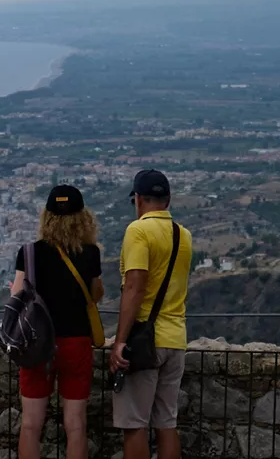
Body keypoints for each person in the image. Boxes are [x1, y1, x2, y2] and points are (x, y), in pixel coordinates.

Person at [10, 184, 105, 459]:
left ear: (47, 217)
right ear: (82, 217)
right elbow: (95, 294)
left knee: (30, 425)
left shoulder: (29, 252)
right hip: (76, 341)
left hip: (37, 343)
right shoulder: (91, 253)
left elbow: (17, 295)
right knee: (76, 426)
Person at [109, 170, 193, 459]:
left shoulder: (138, 231)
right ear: (167, 200)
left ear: (138, 200)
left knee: (134, 425)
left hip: (145, 342)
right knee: (166, 423)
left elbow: (134, 287)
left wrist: (120, 341)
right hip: (176, 339)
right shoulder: (184, 235)